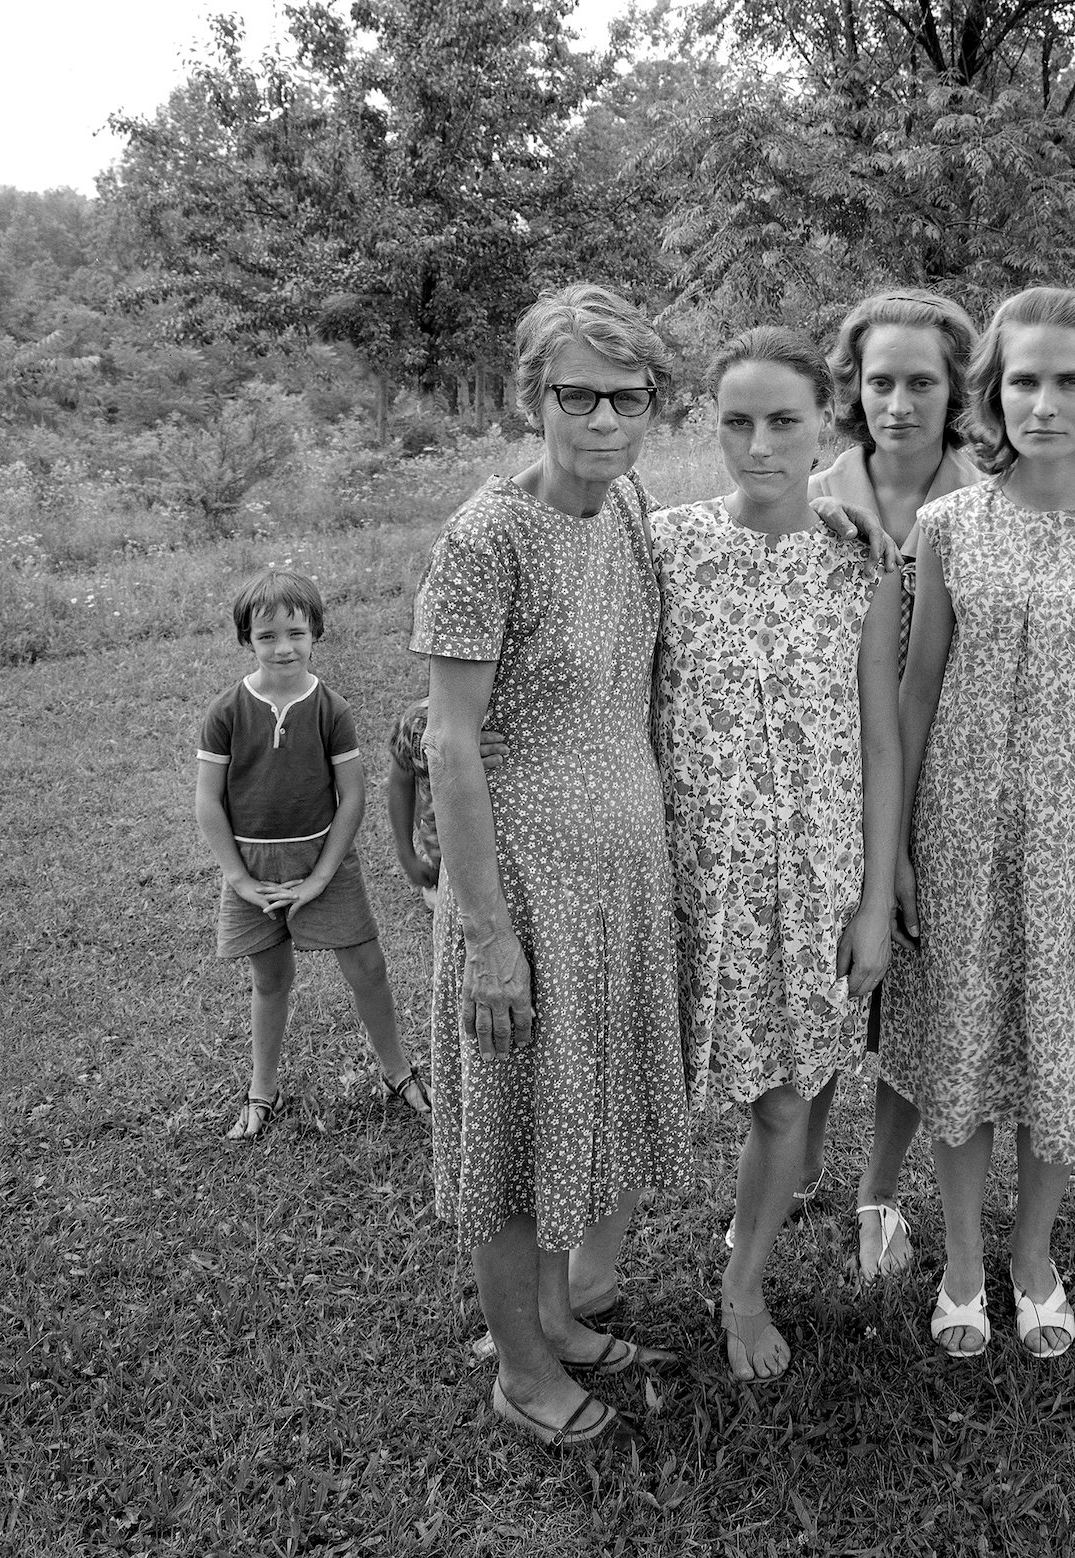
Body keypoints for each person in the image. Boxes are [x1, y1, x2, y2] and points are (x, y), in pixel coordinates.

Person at [413, 284, 896, 1450]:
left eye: (625, 398)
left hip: (633, 882)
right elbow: (445, 738)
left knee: (581, 1107)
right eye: (575, 395)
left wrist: (838, 508)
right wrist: (483, 931)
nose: (601, 419)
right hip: (541, 885)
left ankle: (561, 1322)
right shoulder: (515, 535)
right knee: (519, 1127)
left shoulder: (628, 510)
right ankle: (524, 1366)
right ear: (530, 397)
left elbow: (774, 542)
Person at [885, 287, 1075, 1360]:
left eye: (1070, 380)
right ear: (992, 392)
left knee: (1062, 1052)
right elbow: (916, 690)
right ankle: (964, 1262)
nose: (1045, 403)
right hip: (960, 839)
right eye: (1024, 380)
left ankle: (1032, 1257)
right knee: (963, 1047)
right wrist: (897, 852)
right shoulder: (946, 526)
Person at [652, 326, 902, 1380]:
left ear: (823, 426)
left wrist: (875, 902)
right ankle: (577, 1281)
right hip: (680, 869)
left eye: (784, 421)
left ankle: (742, 1286)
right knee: (633, 1077)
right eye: (737, 421)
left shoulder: (861, 563)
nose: (760, 445)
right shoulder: (664, 544)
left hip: (812, 876)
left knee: (789, 1095)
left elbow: (882, 742)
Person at [804, 288, 982, 1283]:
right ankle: (790, 1165)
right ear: (852, 386)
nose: (899, 404)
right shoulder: (810, 493)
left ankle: (879, 1189)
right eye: (880, 382)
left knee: (915, 997)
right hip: (831, 778)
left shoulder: (986, 501)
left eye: (922, 383)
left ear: (956, 390)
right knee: (825, 982)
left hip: (948, 778)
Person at [194, 570, 431, 1140]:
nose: (283, 648)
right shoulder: (226, 711)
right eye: (267, 636)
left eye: (295, 633)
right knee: (270, 978)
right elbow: (207, 801)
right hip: (253, 866)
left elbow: (353, 798)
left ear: (316, 633)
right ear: (247, 640)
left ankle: (397, 1072)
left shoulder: (331, 709)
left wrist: (321, 877)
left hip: (326, 860)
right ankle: (263, 1089)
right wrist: (239, 879)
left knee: (368, 968)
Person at [386, 696, 441, 911]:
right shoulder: (419, 721)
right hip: (443, 862)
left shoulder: (519, 722)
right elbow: (401, 783)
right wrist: (407, 855)